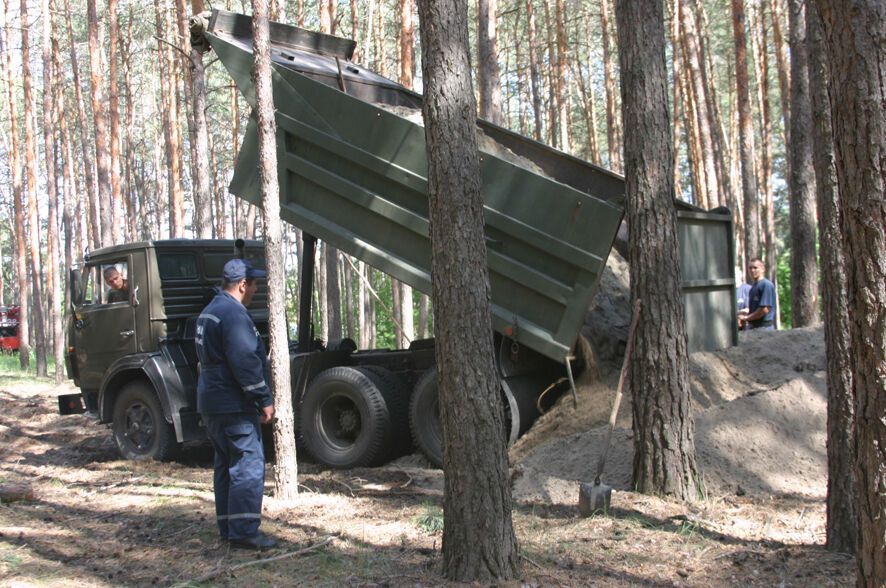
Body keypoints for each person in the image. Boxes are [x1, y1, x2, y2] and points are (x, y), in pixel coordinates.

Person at [196, 258, 277, 550]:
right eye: (254, 284)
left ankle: (229, 527)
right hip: (232, 403)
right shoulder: (233, 315)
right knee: (248, 464)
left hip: (212, 401)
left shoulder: (210, 311)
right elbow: (244, 361)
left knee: (226, 464)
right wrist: (264, 399)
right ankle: (243, 532)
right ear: (243, 285)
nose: (256, 289)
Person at [741, 258, 776, 331]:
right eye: (750, 268)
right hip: (753, 327)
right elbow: (755, 309)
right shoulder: (753, 287)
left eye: (755, 268)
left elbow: (764, 310)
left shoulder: (766, 285)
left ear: (763, 269)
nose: (752, 270)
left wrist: (746, 318)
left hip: (764, 328)